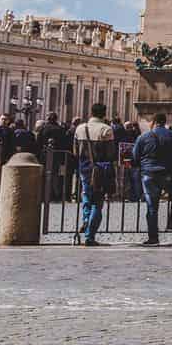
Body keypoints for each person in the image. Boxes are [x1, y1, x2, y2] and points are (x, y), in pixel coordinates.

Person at [130, 113, 172, 246]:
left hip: (149, 173)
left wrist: (140, 167)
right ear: (165, 122)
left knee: (152, 205)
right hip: (169, 173)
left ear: (153, 122)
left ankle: (153, 236)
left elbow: (135, 157)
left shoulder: (143, 137)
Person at [72, 103, 116, 246]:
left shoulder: (80, 128)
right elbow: (110, 153)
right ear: (104, 114)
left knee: (86, 194)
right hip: (100, 169)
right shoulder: (106, 129)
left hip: (84, 168)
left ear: (91, 112)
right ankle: (90, 235)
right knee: (98, 202)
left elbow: (75, 151)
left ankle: (85, 219)